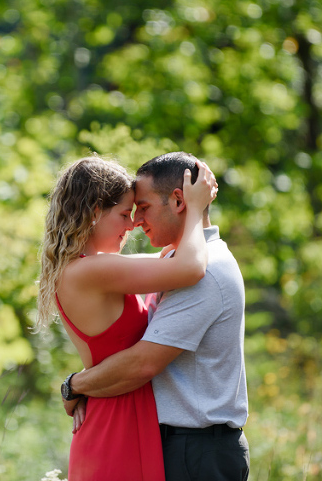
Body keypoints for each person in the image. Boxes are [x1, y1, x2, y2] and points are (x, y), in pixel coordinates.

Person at [65, 152, 250, 481]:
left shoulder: (204, 271)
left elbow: (143, 363)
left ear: (179, 200)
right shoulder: (174, 262)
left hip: (195, 451)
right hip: (175, 444)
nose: (135, 221)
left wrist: (75, 385)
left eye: (143, 207)